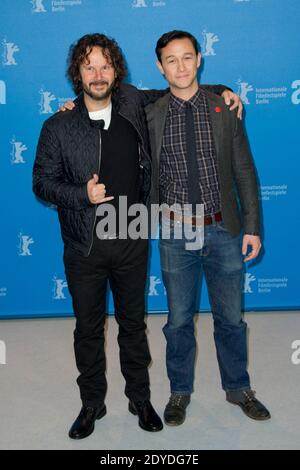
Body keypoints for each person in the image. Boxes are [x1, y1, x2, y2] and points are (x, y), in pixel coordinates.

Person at [33, 33, 241, 439]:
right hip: (85, 245)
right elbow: (41, 182)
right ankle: (91, 404)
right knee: (88, 329)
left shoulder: (132, 102)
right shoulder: (58, 125)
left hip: (132, 234)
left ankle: (139, 398)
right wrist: (81, 195)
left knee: (133, 325)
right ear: (77, 72)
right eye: (89, 66)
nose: (98, 74)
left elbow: (180, 88)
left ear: (116, 72)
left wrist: (223, 90)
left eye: (105, 66)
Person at [145, 30, 271, 426]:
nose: (180, 67)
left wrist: (252, 226)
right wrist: (71, 105)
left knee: (231, 318)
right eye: (171, 60)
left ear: (199, 59)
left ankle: (238, 388)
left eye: (187, 57)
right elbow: (106, 95)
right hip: (176, 233)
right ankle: (179, 391)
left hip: (224, 231)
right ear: (160, 66)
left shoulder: (224, 109)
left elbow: (245, 171)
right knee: (178, 320)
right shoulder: (150, 113)